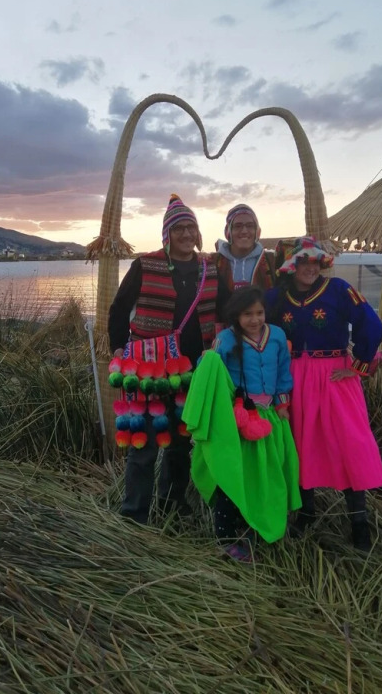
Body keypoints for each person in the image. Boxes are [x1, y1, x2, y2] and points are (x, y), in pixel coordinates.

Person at [108, 194, 227, 525]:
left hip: (193, 372)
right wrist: (117, 347)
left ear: (198, 233)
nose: (186, 234)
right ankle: (134, 515)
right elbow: (120, 307)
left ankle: (172, 506)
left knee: (180, 444)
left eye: (191, 228)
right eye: (179, 229)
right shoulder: (145, 265)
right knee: (144, 445)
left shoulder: (210, 268)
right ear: (167, 234)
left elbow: (225, 309)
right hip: (148, 370)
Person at [265, 236, 382, 551]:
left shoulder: (339, 290)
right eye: (303, 261)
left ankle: (359, 521)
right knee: (300, 441)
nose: (311, 267)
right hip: (294, 377)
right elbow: (249, 319)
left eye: (316, 261)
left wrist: (358, 365)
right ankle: (307, 513)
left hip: (334, 376)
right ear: (291, 266)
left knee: (349, 443)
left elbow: (371, 325)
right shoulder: (277, 298)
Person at [183, 286, 301, 562]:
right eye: (248, 314)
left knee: (266, 475)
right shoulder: (225, 339)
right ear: (236, 315)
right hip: (238, 421)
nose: (255, 319)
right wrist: (208, 359)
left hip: (269, 417)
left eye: (259, 313)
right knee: (233, 477)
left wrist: (282, 404)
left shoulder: (277, 336)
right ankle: (225, 538)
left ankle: (254, 527)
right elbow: (209, 371)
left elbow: (283, 373)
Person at [215, 204, 277, 292]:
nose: (244, 231)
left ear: (257, 231)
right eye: (238, 226)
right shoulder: (214, 262)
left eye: (250, 226)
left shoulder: (272, 261)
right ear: (229, 231)